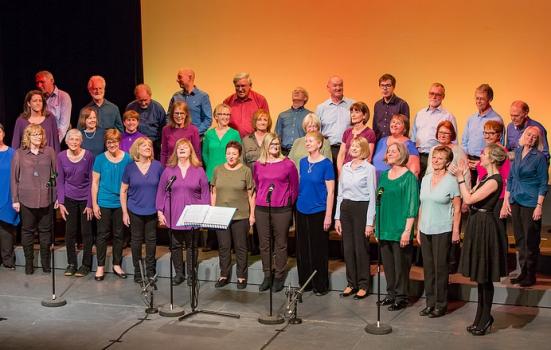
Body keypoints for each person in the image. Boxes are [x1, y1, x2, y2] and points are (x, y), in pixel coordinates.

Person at [450, 143, 508, 335]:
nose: (481, 156)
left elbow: (469, 199)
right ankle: (480, 318)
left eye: (484, 153)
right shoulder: (485, 177)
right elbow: (471, 194)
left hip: (486, 227)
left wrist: (460, 178)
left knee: (485, 276)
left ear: (492, 158)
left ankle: (484, 318)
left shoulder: (495, 180)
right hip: (478, 224)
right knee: (480, 278)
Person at [156, 138, 209, 286]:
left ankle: (191, 274)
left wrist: (205, 212)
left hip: (194, 213)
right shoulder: (169, 170)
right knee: (175, 245)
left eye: (185, 147)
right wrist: (160, 211)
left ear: (191, 150)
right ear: (175, 151)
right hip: (173, 212)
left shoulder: (198, 169)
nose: (182, 149)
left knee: (192, 246)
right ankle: (179, 273)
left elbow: (205, 192)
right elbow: (161, 191)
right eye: (179, 147)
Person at [417, 146, 461, 318]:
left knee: (440, 268)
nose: (435, 160)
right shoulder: (426, 179)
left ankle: (441, 304)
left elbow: (457, 208)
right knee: (428, 268)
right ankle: (430, 303)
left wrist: (456, 230)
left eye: (440, 158)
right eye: (434, 157)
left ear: (447, 162)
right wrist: (418, 228)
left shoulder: (451, 181)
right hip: (426, 228)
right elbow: (422, 205)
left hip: (443, 229)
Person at [502, 126, 548, 287]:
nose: (531, 138)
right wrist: (506, 200)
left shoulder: (539, 157)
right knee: (520, 239)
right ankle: (523, 272)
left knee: (531, 240)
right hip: (516, 200)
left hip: (530, 202)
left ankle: (531, 274)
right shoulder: (518, 152)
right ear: (524, 135)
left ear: (537, 140)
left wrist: (539, 206)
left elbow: (543, 183)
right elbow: (511, 177)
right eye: (529, 135)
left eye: (534, 137)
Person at [253, 133, 299, 292]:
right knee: (264, 245)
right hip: (262, 208)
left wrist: (286, 203)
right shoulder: (258, 164)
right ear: (265, 145)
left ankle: (279, 276)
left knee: (280, 244)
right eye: (272, 144)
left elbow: (294, 188)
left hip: (282, 209)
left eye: (278, 144)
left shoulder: (288, 164)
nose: (276, 146)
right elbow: (258, 185)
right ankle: (267, 275)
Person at [377, 142, 419, 311]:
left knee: (400, 265)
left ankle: (401, 297)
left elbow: (412, 205)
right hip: (384, 225)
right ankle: (391, 294)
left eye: (394, 151)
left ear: (401, 154)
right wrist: (376, 225)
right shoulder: (384, 175)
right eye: (389, 151)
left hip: (400, 228)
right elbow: (379, 198)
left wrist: (407, 230)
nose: (390, 153)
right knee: (388, 265)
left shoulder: (408, 177)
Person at [11, 124, 57, 274]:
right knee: (27, 231)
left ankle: (45, 264)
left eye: (40, 134)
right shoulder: (19, 153)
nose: (38, 137)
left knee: (45, 231)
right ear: (28, 137)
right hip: (26, 198)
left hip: (46, 198)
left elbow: (55, 174)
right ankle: (29, 264)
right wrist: (15, 199)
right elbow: (14, 178)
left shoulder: (49, 151)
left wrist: (54, 194)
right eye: (34, 134)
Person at [334, 137, 376, 299]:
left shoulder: (369, 169)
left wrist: (369, 222)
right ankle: (351, 283)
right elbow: (340, 193)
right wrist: (337, 217)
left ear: (364, 149)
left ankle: (364, 284)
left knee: (360, 248)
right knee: (348, 248)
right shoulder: (345, 167)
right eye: (352, 146)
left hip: (361, 208)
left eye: (358, 146)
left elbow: (372, 196)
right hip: (346, 208)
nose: (354, 148)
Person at [295, 131, 335, 295]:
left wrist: (328, 215)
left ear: (319, 144)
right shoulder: (303, 162)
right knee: (302, 249)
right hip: (301, 209)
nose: (307, 143)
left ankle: (320, 285)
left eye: (311, 141)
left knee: (319, 249)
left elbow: (331, 192)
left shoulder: (326, 164)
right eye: (306, 141)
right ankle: (306, 283)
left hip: (319, 211)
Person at [211, 141, 255, 289]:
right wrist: (213, 209)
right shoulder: (217, 170)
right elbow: (214, 191)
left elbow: (251, 195)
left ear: (239, 155)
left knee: (241, 247)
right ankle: (224, 275)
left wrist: (252, 215)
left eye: (234, 154)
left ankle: (241, 276)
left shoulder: (246, 171)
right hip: (221, 215)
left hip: (240, 215)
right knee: (224, 246)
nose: (231, 156)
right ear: (225, 154)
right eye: (228, 153)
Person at [91, 129, 132, 281]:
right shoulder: (100, 159)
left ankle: (116, 264)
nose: (111, 145)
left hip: (120, 202)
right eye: (109, 142)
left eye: (114, 142)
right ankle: (100, 266)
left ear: (119, 142)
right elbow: (95, 183)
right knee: (102, 234)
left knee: (118, 234)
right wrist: (94, 204)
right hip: (104, 201)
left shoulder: (127, 158)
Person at [121, 137, 163, 284]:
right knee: (136, 241)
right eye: (144, 145)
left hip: (152, 210)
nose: (147, 147)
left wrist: (160, 210)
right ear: (137, 149)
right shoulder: (130, 167)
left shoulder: (158, 166)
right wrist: (125, 212)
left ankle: (150, 271)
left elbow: (162, 190)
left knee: (151, 241)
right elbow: (123, 190)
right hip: (134, 209)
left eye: (149, 145)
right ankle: (138, 271)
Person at [56, 129, 95, 277]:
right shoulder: (61, 156)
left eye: (76, 139)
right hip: (69, 198)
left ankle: (86, 265)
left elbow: (92, 181)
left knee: (86, 232)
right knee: (70, 232)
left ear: (81, 141)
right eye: (71, 139)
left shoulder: (88, 156)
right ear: (66, 141)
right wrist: (61, 202)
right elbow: (60, 180)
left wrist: (90, 203)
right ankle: (71, 263)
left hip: (85, 198)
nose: (73, 142)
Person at [411, 83, 458, 177]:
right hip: (418, 157)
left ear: (443, 97)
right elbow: (413, 137)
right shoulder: (420, 114)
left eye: (438, 94)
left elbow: (454, 142)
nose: (434, 96)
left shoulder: (448, 116)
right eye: (431, 93)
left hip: (437, 158)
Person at [462, 84, 503, 188]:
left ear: (490, 99)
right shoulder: (471, 119)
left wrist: (482, 163)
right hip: (469, 161)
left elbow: (498, 147)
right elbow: (464, 141)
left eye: (482, 99)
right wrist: (466, 158)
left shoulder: (497, 120)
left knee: (482, 194)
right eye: (477, 98)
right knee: (468, 192)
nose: (478, 101)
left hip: (487, 163)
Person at [476, 121, 510, 241]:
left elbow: (507, 180)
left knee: (498, 231)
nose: (487, 136)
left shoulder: (502, 153)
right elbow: (480, 176)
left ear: (499, 135)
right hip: (484, 195)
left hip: (498, 197)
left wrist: (505, 204)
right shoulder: (485, 151)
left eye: (491, 133)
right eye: (485, 132)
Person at [316, 76, 355, 169]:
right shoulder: (321, 108)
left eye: (340, 85)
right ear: (328, 88)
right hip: (328, 150)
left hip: (348, 149)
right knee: (329, 180)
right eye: (335, 85)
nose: (338, 88)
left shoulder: (353, 105)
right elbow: (317, 132)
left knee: (346, 179)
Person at [372, 114, 420, 178]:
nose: (394, 125)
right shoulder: (381, 141)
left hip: (395, 184)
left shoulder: (409, 145)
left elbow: (414, 171)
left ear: (405, 128)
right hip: (376, 183)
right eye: (393, 122)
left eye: (398, 123)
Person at [126, 83, 167, 158]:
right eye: (140, 100)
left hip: (154, 144)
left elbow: (164, 127)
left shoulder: (158, 108)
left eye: (145, 100)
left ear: (150, 96)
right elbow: (126, 124)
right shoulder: (130, 107)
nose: (143, 103)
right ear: (136, 97)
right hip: (135, 143)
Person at [202, 103, 241, 182]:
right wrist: (211, 166)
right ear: (216, 116)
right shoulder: (209, 134)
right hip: (211, 175)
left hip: (229, 175)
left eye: (228, 114)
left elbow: (239, 154)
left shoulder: (235, 134)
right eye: (223, 114)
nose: (226, 117)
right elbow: (205, 154)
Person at [168, 68, 212, 137]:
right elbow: (169, 117)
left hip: (196, 139)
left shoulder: (203, 97)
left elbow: (207, 119)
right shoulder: (176, 96)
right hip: (177, 138)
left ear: (190, 77)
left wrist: (194, 133)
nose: (177, 80)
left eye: (180, 77)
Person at [224, 72, 269, 138]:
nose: (240, 89)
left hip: (254, 142)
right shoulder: (227, 101)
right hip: (233, 141)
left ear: (250, 86)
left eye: (243, 86)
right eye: (237, 86)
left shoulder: (260, 100)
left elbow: (266, 123)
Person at [336, 102, 376, 175]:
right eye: (352, 112)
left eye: (357, 112)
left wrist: (357, 173)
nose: (353, 115)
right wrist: (340, 172)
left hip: (360, 173)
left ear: (364, 115)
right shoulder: (347, 132)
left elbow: (368, 158)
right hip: (346, 171)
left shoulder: (369, 133)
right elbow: (341, 154)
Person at [0, 123, 19, 270]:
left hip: (7, 195)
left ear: (3, 133)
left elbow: (18, 177)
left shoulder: (13, 153)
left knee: (6, 229)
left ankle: (8, 260)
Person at [35, 70, 72, 142]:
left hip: (58, 140)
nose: (39, 85)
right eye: (37, 83)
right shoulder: (37, 98)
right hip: (40, 140)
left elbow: (63, 125)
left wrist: (55, 143)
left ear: (52, 81)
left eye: (42, 82)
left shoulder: (63, 96)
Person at [160, 101, 201, 166]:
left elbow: (196, 152)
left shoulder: (194, 130)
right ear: (172, 114)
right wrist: (162, 169)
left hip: (188, 167)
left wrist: (197, 167)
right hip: (171, 166)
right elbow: (164, 152)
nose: (179, 116)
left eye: (182, 113)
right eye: (176, 113)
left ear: (186, 114)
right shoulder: (166, 130)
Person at [275, 87, 312, 155]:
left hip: (303, 152)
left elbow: (313, 136)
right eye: (295, 90)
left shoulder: (310, 115)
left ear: (305, 98)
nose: (296, 92)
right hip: (284, 153)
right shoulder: (282, 115)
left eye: (300, 91)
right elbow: (277, 136)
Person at [373, 73, 410, 140]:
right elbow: (375, 127)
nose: (385, 88)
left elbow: (405, 128)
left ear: (394, 87)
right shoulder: (377, 105)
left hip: (396, 143)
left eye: (388, 85)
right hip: (379, 143)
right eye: (382, 85)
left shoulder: (402, 104)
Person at [242, 109, 272, 174]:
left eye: (265, 120)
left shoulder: (273, 139)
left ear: (268, 123)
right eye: (259, 120)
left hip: (269, 179)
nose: (262, 122)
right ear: (255, 122)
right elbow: (242, 162)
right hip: (251, 180)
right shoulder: (246, 140)